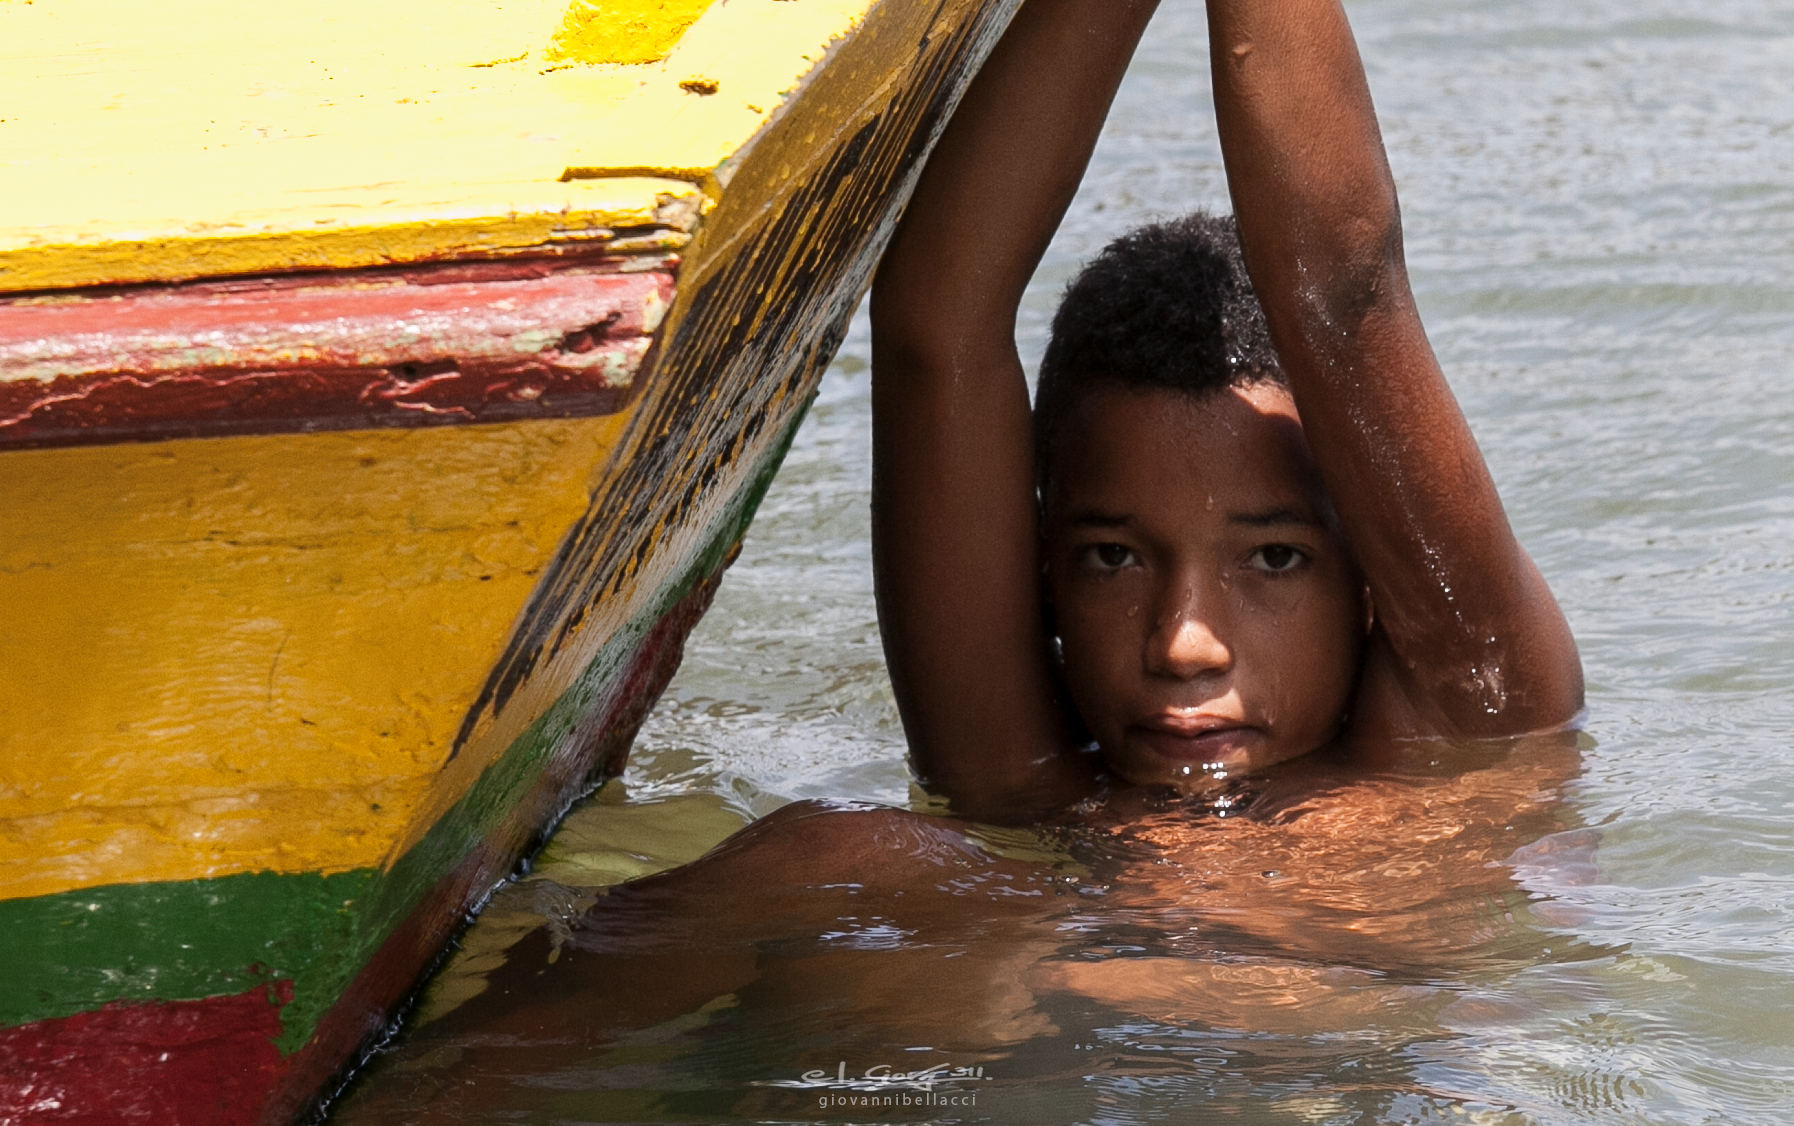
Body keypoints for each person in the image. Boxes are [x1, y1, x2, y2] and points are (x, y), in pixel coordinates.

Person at [330, 3, 1592, 1114]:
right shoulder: (1031, 786)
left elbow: (1343, 289)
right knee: (839, 860)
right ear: (1039, 570)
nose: (1183, 642)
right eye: (1112, 558)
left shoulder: (1468, 731)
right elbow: (941, 320)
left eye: (1271, 559)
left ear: (1370, 581)